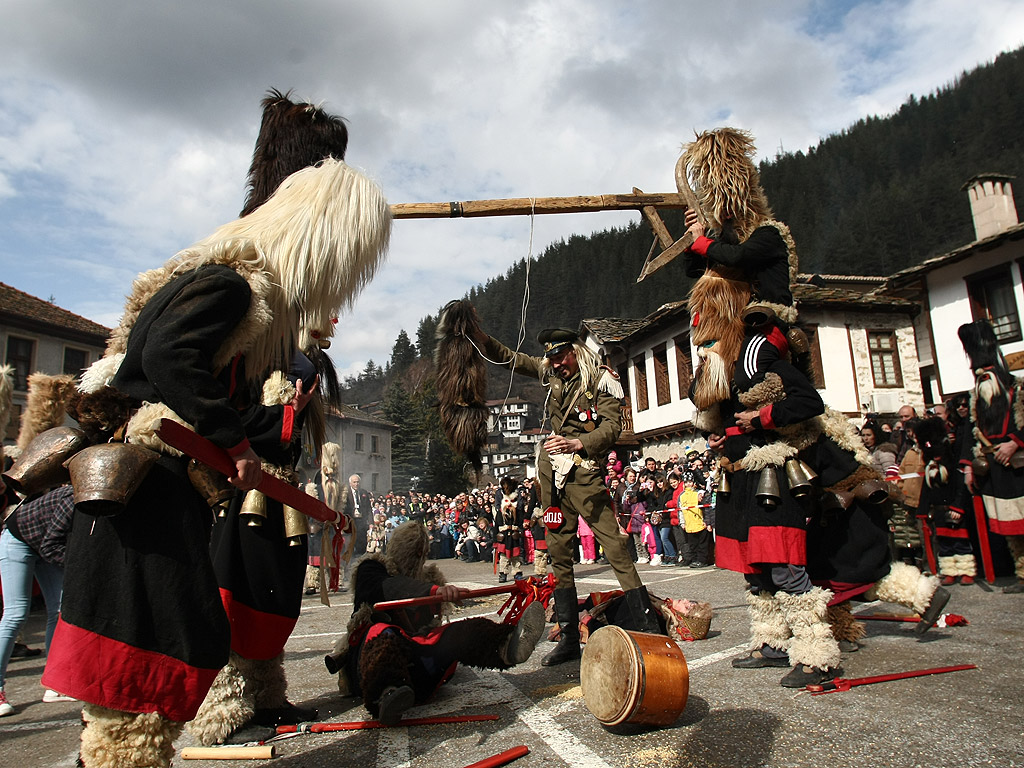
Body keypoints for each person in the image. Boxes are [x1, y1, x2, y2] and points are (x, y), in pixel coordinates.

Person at [40, 141, 391, 765]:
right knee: (145, 663)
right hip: (154, 490)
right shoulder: (230, 286)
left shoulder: (225, 290)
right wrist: (232, 440)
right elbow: (166, 359)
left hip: (163, 490)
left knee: (164, 651)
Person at [463, 321, 662, 667]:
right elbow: (511, 359)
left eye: (560, 357)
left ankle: (647, 626)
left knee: (615, 547)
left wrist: (578, 442)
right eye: (551, 359)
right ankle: (569, 637)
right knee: (558, 554)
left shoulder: (601, 379)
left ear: (574, 351)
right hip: (553, 479)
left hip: (584, 473)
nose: (555, 364)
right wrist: (481, 336)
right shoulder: (549, 371)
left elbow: (613, 426)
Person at [324, 522, 545, 724]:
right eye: (409, 552)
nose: (413, 559)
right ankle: (386, 695)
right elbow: (389, 587)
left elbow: (432, 616)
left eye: (418, 554)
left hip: (417, 665)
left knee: (456, 632)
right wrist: (433, 591)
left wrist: (448, 593)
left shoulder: (428, 578)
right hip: (370, 666)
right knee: (382, 632)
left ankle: (506, 646)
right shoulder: (371, 569)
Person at [958, 321, 1024, 593]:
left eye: (987, 373)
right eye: (979, 374)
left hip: (1019, 465)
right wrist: (968, 468)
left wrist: (1014, 443)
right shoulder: (976, 400)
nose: (983, 377)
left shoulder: (1019, 390)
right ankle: (1022, 573)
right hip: (994, 470)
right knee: (1012, 529)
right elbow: (970, 435)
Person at [0, 485, 76, 716]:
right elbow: (52, 546)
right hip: (18, 540)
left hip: (43, 545)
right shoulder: (75, 500)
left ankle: (54, 684)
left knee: (61, 610)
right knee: (15, 613)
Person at [495, 475, 527, 582]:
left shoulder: (517, 503)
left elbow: (521, 515)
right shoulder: (501, 503)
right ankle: (503, 573)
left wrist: (519, 529)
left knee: (515, 554)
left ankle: (517, 572)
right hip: (503, 533)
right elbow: (497, 519)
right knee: (503, 555)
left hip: (514, 531)